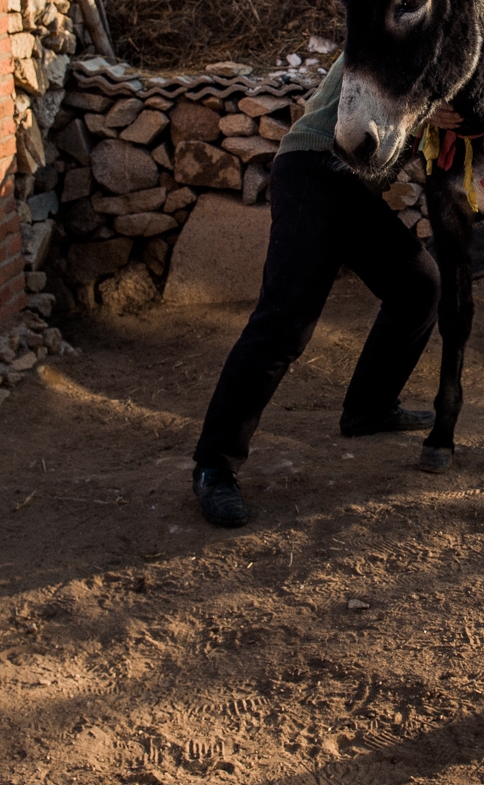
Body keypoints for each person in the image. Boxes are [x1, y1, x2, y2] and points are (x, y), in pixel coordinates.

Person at [191, 56, 458, 527]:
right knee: (284, 321)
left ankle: (369, 409)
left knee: (418, 285)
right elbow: (374, 77)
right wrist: (423, 106)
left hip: (353, 187)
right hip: (312, 168)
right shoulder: (395, 24)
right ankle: (214, 467)